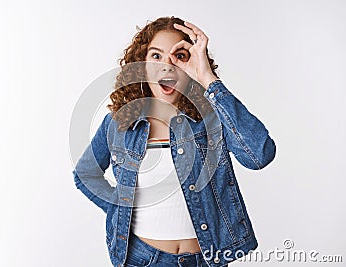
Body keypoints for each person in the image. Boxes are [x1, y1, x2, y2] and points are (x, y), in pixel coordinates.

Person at [73, 16, 276, 267]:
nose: (167, 66)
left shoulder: (213, 116)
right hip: (142, 259)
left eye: (179, 56)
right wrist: (120, 210)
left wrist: (208, 79)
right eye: (156, 56)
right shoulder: (118, 123)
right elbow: (85, 174)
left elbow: (259, 155)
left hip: (206, 259)